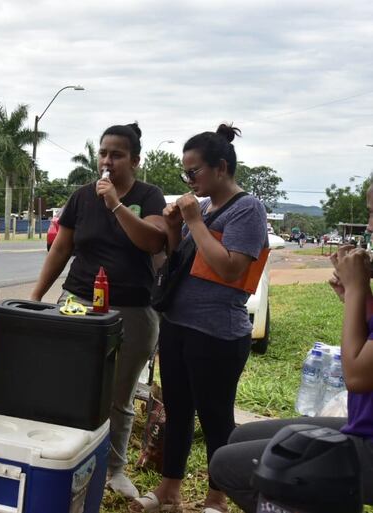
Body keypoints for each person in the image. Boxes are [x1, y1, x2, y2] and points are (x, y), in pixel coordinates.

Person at [208, 186, 373, 512]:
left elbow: (357, 376)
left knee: (226, 464)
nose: (368, 226)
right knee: (240, 439)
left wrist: (356, 291)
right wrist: (359, 301)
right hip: (362, 425)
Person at [131, 124, 267, 513]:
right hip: (178, 325)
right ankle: (168, 489)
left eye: (194, 172)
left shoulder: (247, 209)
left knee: (215, 417)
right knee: (177, 411)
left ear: (221, 167)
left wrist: (192, 222)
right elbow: (181, 264)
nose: (189, 180)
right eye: (185, 174)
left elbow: (229, 268)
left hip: (217, 333)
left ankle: (216, 498)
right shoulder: (205, 208)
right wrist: (175, 230)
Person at [31, 123, 166, 498]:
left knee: (119, 395)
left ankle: (115, 469)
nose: (107, 161)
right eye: (103, 153)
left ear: (135, 160)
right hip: (78, 302)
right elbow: (61, 249)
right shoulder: (81, 197)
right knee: (69, 384)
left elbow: (152, 240)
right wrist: (38, 294)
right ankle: (67, 458)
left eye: (117, 154)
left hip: (133, 308)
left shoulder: (149, 196)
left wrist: (116, 205)